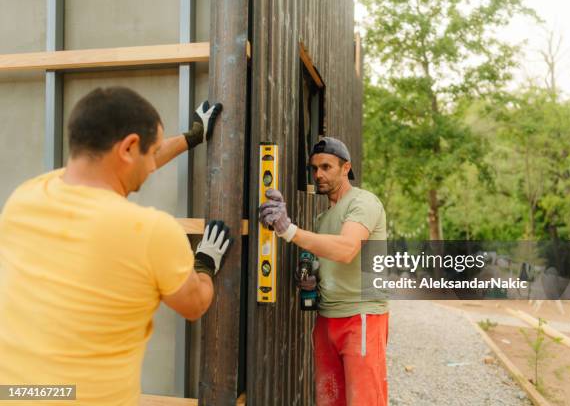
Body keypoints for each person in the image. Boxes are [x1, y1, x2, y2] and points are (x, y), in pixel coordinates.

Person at [0, 87, 232, 405]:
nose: (152, 166)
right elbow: (194, 304)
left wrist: (191, 138)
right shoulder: (151, 233)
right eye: (152, 153)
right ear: (128, 148)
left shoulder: (24, 197)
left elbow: (111, 176)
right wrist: (204, 264)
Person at [259, 137, 388, 406]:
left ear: (346, 168)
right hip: (326, 319)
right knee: (330, 401)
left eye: (327, 167)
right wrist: (311, 282)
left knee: (363, 401)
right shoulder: (322, 218)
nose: (318, 174)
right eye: (314, 168)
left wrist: (289, 230)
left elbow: (346, 249)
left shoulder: (363, 203)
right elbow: (328, 262)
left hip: (361, 317)